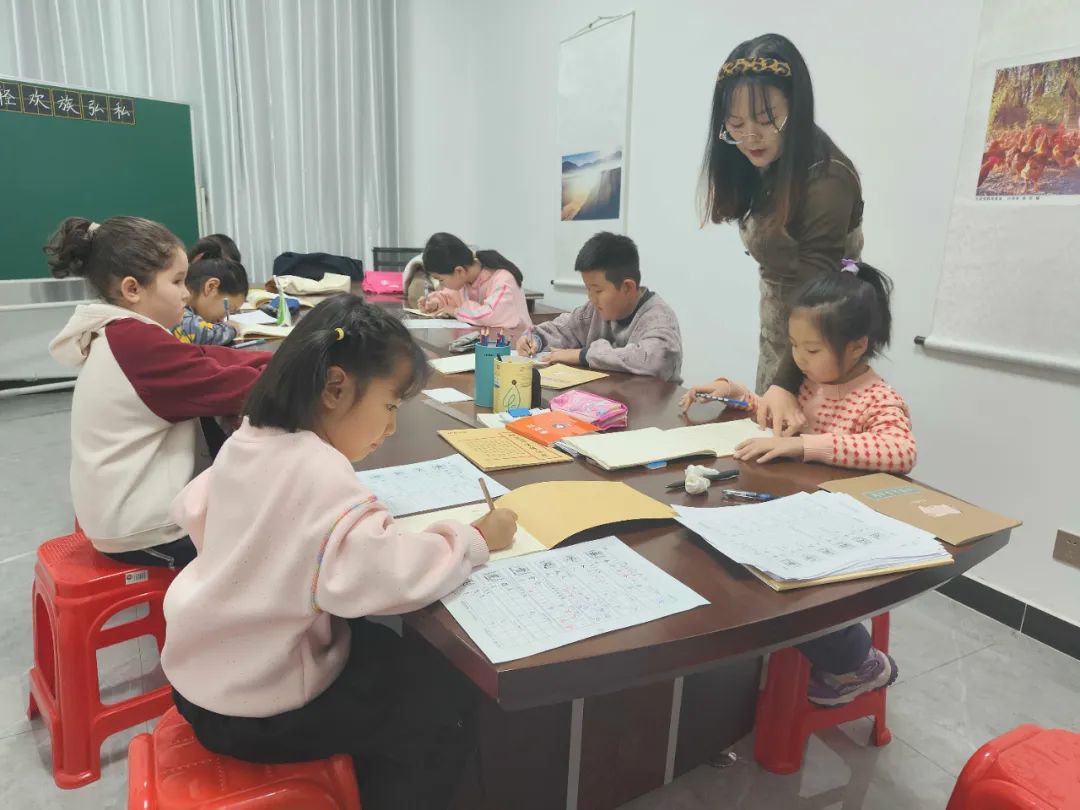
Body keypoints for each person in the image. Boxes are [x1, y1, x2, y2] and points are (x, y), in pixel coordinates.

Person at [160, 296, 517, 809]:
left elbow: (193, 507)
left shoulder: (248, 438)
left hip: (197, 681)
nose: (391, 428)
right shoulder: (318, 470)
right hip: (262, 707)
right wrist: (474, 538)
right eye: (390, 406)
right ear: (335, 388)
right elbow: (388, 578)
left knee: (385, 649)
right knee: (444, 705)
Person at [681, 261, 908, 704]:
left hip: (842, 535)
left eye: (812, 349)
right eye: (794, 347)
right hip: (800, 515)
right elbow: (774, 417)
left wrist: (804, 446)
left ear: (857, 347)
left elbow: (900, 450)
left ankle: (861, 662)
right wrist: (735, 393)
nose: (799, 360)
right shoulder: (809, 383)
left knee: (788, 589)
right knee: (722, 558)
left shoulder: (876, 398)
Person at [47, 216, 271, 568]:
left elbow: (204, 357)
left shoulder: (124, 332)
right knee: (276, 537)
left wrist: (275, 360)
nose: (186, 293)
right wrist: (290, 370)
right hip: (146, 531)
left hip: (121, 512)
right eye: (177, 281)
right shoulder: (136, 343)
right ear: (132, 289)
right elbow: (227, 386)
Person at [701, 33, 864, 436]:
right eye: (736, 124)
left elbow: (817, 291)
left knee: (810, 444)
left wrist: (786, 382)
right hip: (780, 331)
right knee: (768, 438)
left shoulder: (827, 178)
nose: (750, 137)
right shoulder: (766, 164)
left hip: (824, 339)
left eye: (765, 120)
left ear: (796, 106)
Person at [516, 232, 683, 383]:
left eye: (597, 290)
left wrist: (582, 355)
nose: (591, 298)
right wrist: (535, 339)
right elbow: (562, 329)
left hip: (650, 404)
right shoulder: (593, 311)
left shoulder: (659, 318)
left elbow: (654, 360)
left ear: (627, 287)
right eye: (588, 289)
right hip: (607, 398)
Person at [417, 232, 533, 330]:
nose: (441, 284)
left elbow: (491, 315)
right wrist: (435, 303)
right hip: (483, 342)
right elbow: (448, 297)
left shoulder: (503, 280)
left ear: (459, 271)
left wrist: (456, 311)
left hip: (516, 345)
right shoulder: (463, 281)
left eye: (441, 280)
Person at [173, 256, 250, 345]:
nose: (222, 319)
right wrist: (231, 329)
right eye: (228, 308)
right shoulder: (178, 312)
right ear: (211, 287)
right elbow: (204, 334)